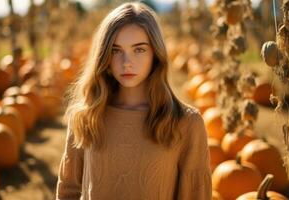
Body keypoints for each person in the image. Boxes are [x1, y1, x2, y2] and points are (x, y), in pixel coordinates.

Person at [56, 2, 211, 200]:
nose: (126, 62)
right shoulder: (86, 115)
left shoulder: (186, 123)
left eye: (139, 50)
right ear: (104, 57)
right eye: (116, 50)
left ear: (156, 53)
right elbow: (68, 191)